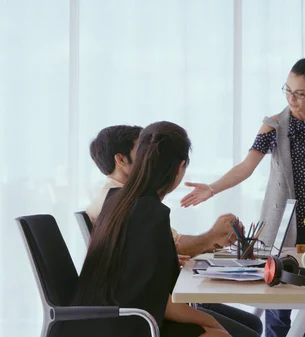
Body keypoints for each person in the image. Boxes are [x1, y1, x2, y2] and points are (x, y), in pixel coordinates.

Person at [181, 55, 305, 337]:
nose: (292, 99)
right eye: (288, 90)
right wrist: (212, 188)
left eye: (300, 93)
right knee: (278, 304)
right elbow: (246, 167)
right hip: (281, 224)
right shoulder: (274, 125)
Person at [86, 124, 263, 337]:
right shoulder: (148, 212)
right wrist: (214, 324)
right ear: (180, 167)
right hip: (131, 323)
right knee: (221, 334)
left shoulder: (118, 200)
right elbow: (160, 301)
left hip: (108, 318)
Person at [86, 125, 237, 257]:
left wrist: (213, 240)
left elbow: (167, 247)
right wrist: (212, 235)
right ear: (121, 160)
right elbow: (174, 247)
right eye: (141, 151)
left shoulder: (114, 196)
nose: (148, 156)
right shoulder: (125, 203)